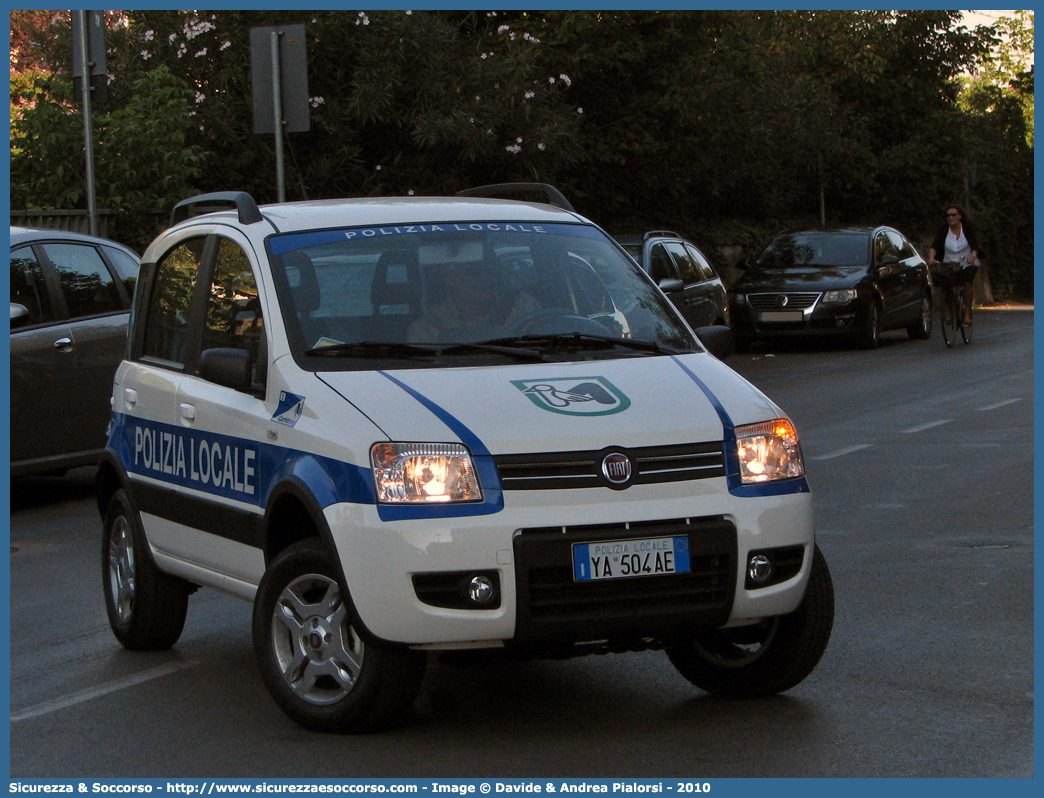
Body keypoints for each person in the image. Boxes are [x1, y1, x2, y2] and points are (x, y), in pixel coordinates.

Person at [407, 260, 540, 343]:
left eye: (491, 271)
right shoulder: (429, 326)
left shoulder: (524, 306)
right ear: (450, 278)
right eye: (474, 272)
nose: (486, 278)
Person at [927, 205, 981, 325]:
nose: (951, 217)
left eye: (953, 215)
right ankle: (950, 311)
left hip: (965, 263)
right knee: (947, 285)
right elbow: (934, 247)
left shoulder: (967, 229)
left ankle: (967, 313)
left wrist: (972, 256)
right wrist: (931, 258)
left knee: (967, 283)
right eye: (948, 215)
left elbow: (974, 245)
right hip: (949, 264)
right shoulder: (944, 230)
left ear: (960, 216)